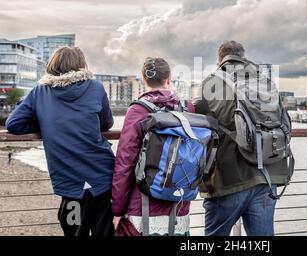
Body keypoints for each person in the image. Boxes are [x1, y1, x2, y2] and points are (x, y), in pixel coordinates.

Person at [6, 47, 115, 236]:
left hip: (70, 181)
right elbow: (107, 122)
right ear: (81, 65)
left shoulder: (40, 92)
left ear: (52, 65)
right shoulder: (95, 87)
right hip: (102, 176)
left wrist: (47, 124)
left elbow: (14, 124)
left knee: (74, 232)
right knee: (104, 232)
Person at [195, 41, 291, 236]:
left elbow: (197, 126)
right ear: (243, 56)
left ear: (219, 60)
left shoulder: (212, 83)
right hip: (267, 176)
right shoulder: (265, 82)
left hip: (229, 180)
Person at [112, 57, 195, 236]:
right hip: (179, 205)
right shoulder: (187, 107)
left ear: (144, 79)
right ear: (169, 77)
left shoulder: (138, 110)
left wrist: (117, 209)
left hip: (143, 207)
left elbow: (125, 163)